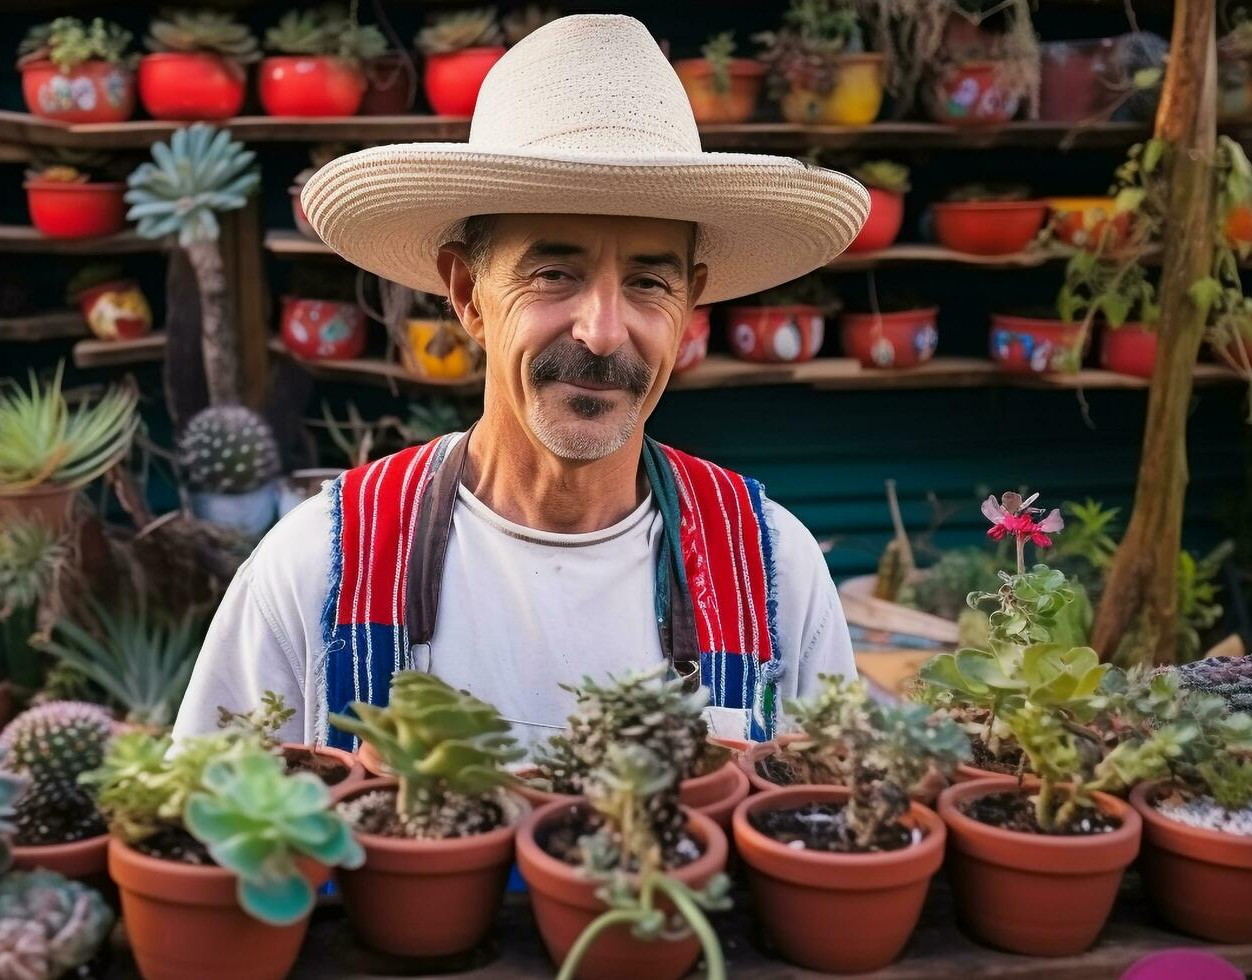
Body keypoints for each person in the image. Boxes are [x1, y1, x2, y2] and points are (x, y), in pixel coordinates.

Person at [173, 14, 868, 749]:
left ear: (689, 302)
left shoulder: (771, 572)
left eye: (647, 282)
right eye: (552, 275)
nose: (602, 332)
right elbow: (196, 836)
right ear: (468, 293)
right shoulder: (319, 566)